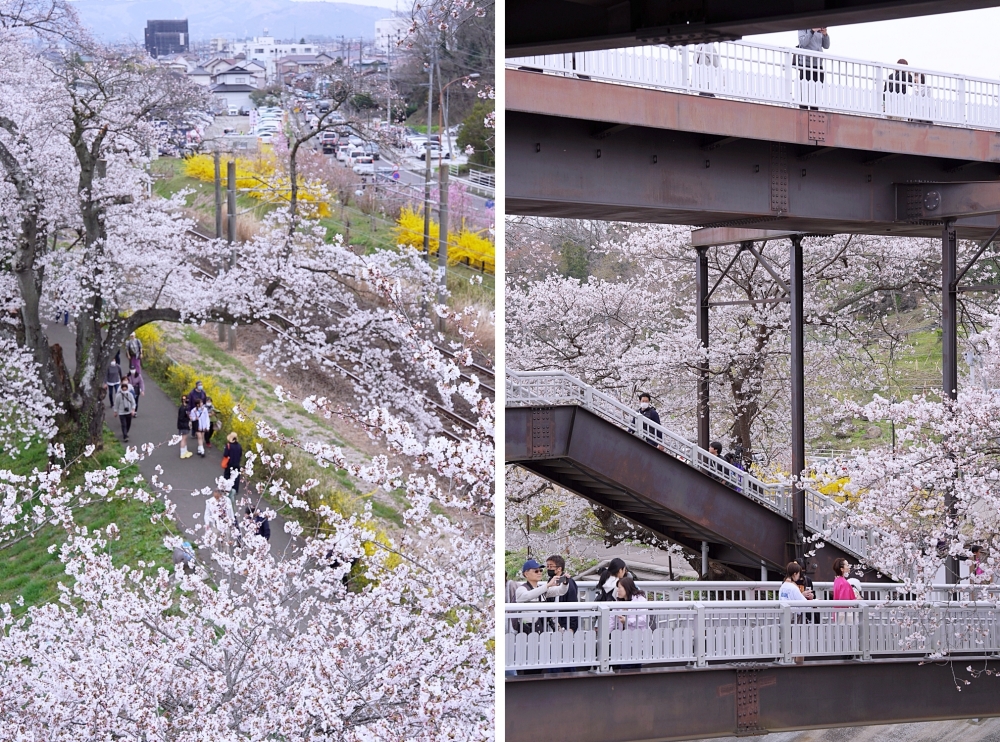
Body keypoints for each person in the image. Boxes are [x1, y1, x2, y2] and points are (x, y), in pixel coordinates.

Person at [796, 27, 829, 109]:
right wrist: (812, 31)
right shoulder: (803, 28)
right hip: (806, 64)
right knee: (805, 92)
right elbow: (803, 43)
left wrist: (825, 34)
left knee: (817, 92)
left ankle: (815, 110)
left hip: (818, 65)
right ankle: (803, 111)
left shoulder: (819, 31)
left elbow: (826, 46)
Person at [545, 554, 579, 632]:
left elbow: (572, 604)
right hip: (554, 622)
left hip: (564, 623)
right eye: (547, 566)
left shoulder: (569, 582)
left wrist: (571, 627)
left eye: (551, 566)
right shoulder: (551, 580)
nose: (548, 568)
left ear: (559, 568)